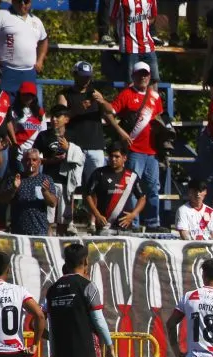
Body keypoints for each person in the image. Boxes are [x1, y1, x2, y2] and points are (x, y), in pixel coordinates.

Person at [109, 61, 164, 230]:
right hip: (134, 150)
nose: (143, 77)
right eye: (140, 74)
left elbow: (161, 118)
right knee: (132, 188)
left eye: (146, 74)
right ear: (133, 76)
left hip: (152, 151)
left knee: (153, 187)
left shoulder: (155, 96)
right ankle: (133, 222)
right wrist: (121, 132)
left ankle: (153, 223)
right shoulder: (125, 94)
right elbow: (109, 113)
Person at [57, 62, 116, 203]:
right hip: (74, 144)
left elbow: (111, 111)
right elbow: (60, 118)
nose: (86, 80)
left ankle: (93, 220)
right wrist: (78, 109)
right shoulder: (65, 94)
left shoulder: (95, 92)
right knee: (71, 184)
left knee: (96, 185)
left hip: (95, 144)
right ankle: (68, 219)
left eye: (88, 77)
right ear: (75, 75)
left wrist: (102, 101)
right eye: (83, 76)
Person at [0, 0, 47, 98]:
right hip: (6, 71)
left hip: (28, 73)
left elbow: (44, 40)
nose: (22, 4)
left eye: (26, 1)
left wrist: (40, 60)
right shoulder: (1, 15)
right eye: (18, 1)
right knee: (2, 104)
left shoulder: (36, 21)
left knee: (26, 108)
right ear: (13, 1)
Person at [34, 103, 78, 234]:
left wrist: (68, 149)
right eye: (52, 116)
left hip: (67, 182)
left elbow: (80, 158)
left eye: (58, 116)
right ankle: (48, 243)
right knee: (47, 219)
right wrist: (51, 160)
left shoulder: (73, 136)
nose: (54, 119)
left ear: (66, 119)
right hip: (49, 181)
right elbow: (35, 159)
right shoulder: (43, 135)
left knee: (63, 220)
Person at [83, 141, 145, 234]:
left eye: (117, 156)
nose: (113, 159)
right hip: (104, 227)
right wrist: (97, 215)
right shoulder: (99, 173)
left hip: (125, 227)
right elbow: (87, 194)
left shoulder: (132, 175)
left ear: (124, 158)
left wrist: (133, 215)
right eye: (111, 156)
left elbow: (142, 197)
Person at [5, 148, 55, 235]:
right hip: (19, 232)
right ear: (23, 161)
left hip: (40, 231)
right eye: (28, 160)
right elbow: (4, 199)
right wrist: (14, 188)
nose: (31, 163)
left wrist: (45, 192)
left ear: (39, 162)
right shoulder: (15, 178)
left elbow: (53, 203)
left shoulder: (46, 179)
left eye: (34, 160)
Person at [110, 0, 159, 83]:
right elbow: (112, 18)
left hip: (147, 45)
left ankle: (151, 96)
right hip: (129, 46)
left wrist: (142, 26)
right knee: (131, 81)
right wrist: (123, 31)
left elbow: (152, 16)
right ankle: (131, 96)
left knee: (153, 80)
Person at [7, 81, 43, 167]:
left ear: (34, 96)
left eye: (30, 94)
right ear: (20, 95)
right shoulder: (13, 111)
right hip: (19, 153)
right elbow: (9, 130)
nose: (27, 97)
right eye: (24, 94)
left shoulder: (40, 112)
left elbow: (43, 133)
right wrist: (15, 147)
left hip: (35, 154)